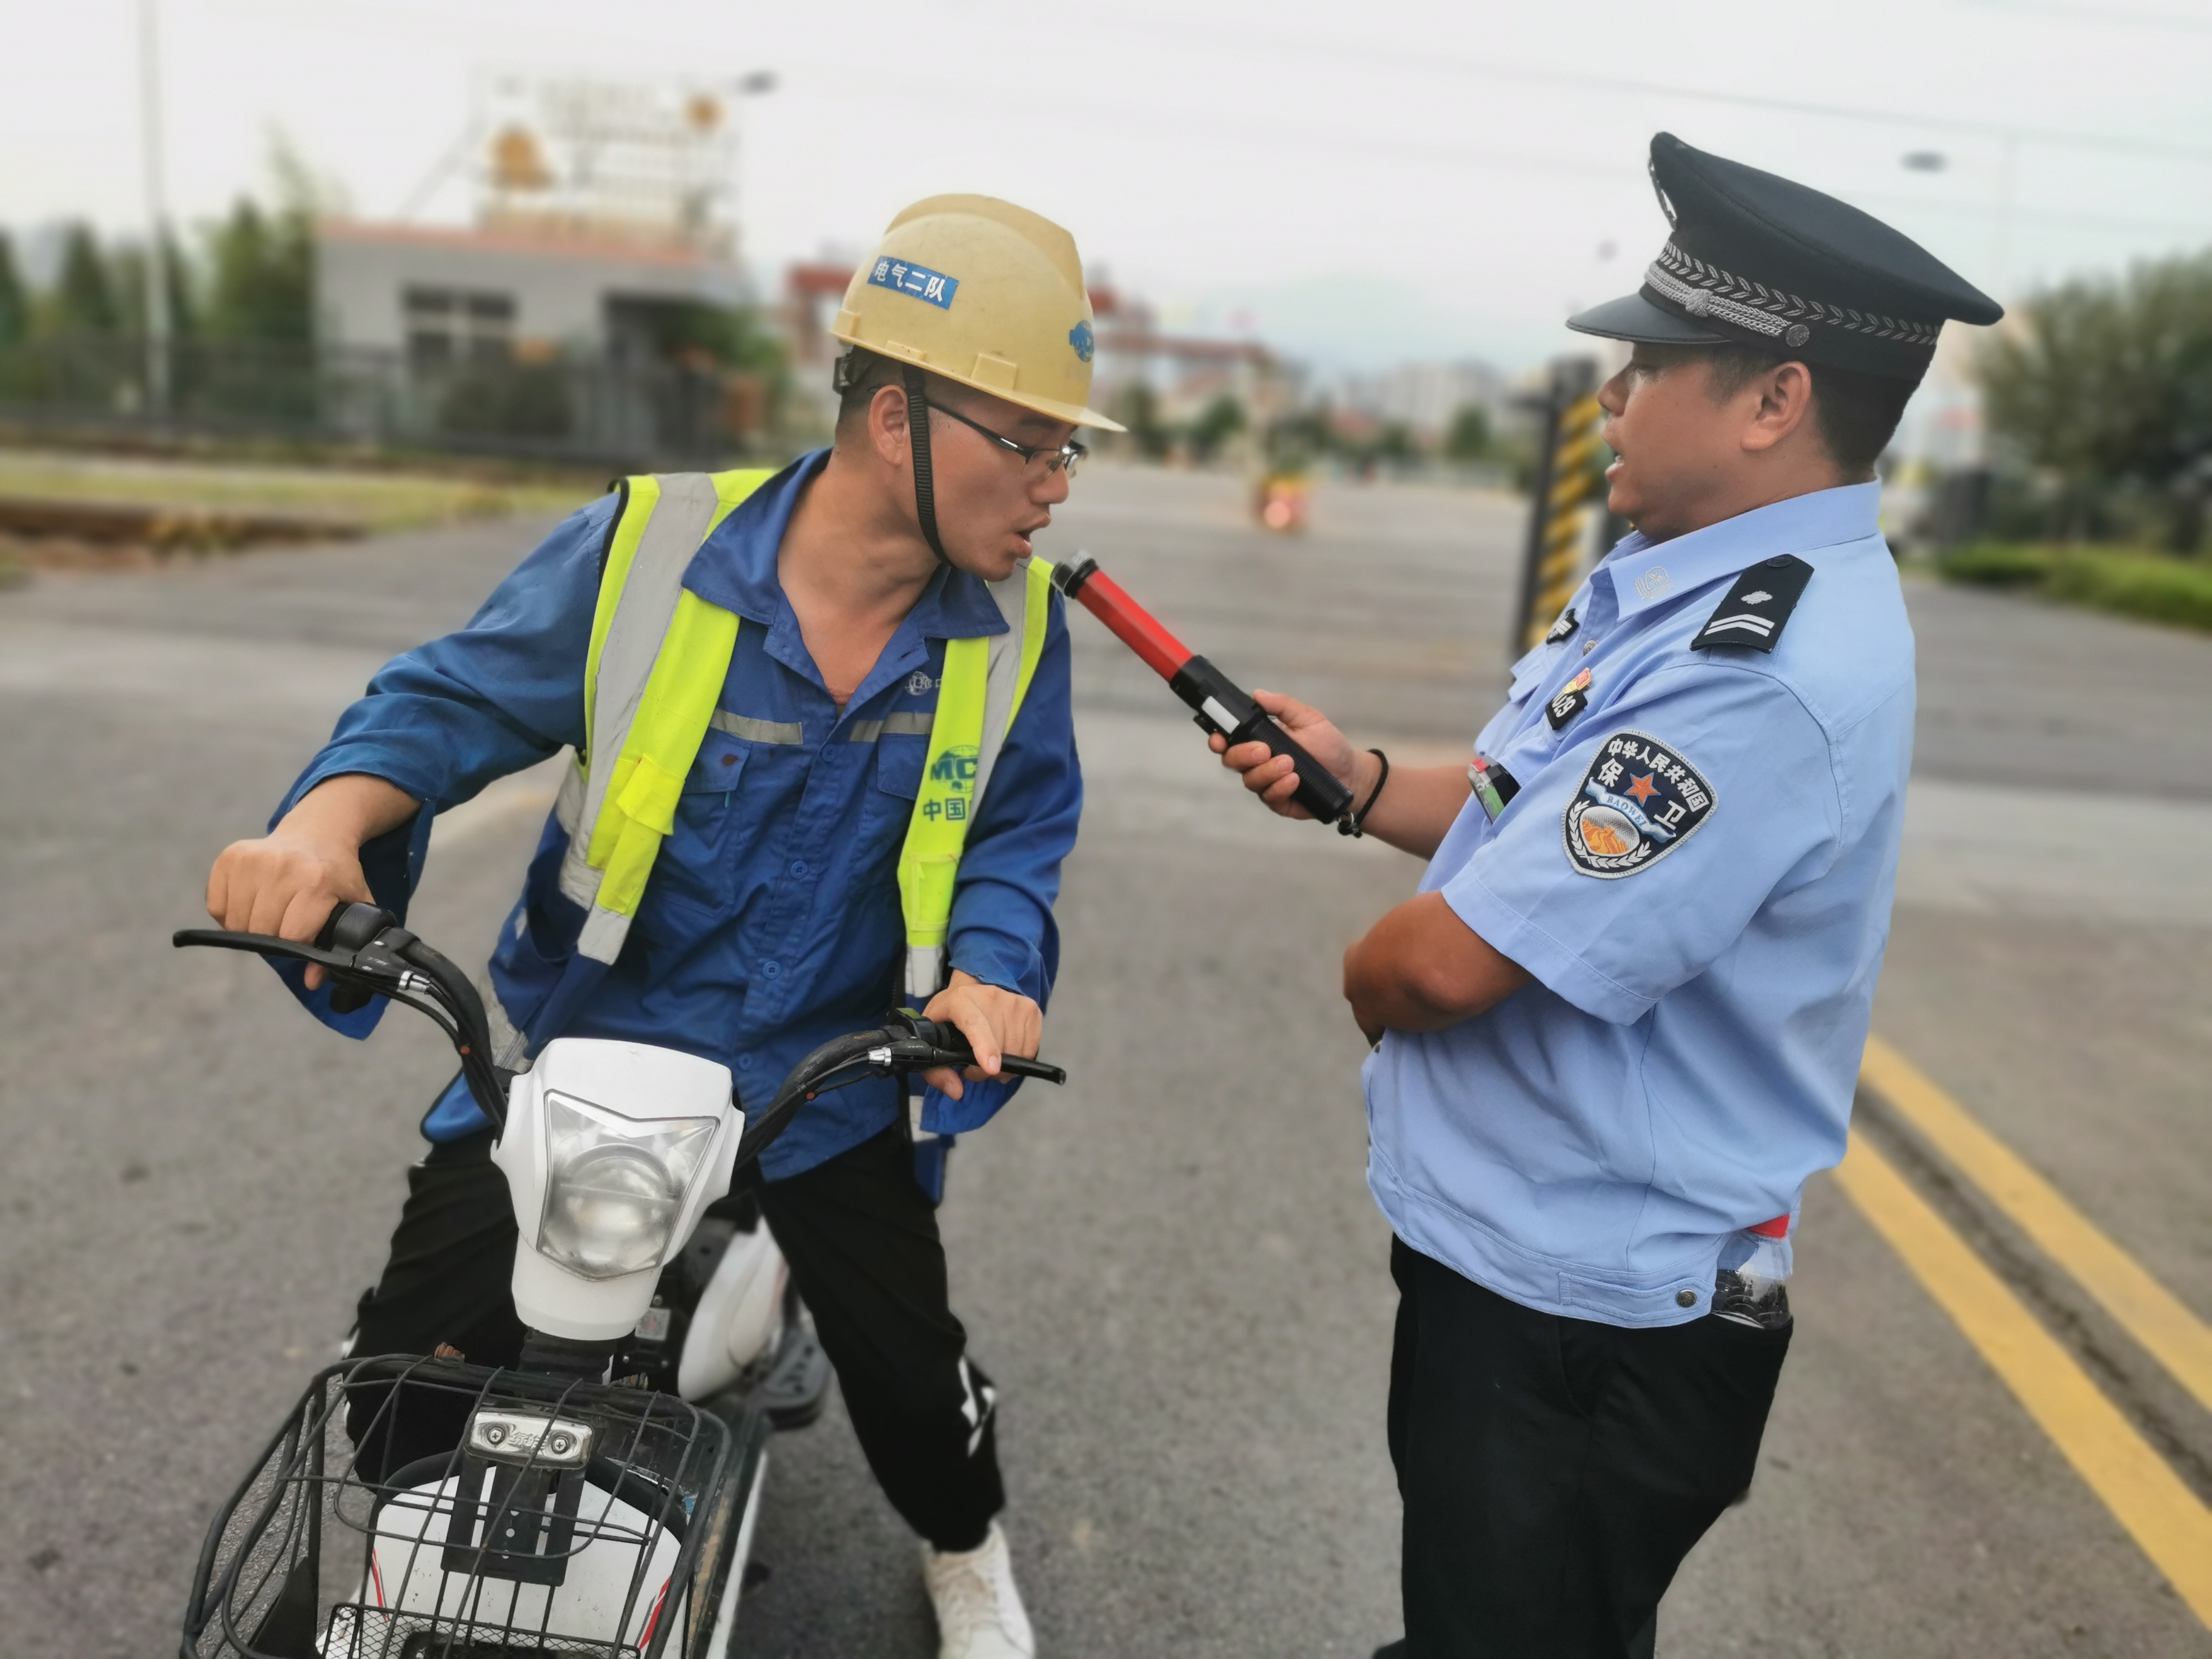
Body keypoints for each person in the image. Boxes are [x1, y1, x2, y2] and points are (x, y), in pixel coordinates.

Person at [203, 194, 1124, 1659]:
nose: (1058, 483)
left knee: (910, 1385)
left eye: (1066, 446)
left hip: (824, 1083)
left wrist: (997, 979)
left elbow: (1016, 830)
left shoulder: (1020, 634)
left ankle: (964, 1547)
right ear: (900, 423)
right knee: (389, 1404)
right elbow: (449, 702)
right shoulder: (646, 547)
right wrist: (321, 827)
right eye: (1032, 442)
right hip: (582, 1053)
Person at [1212, 133, 2001, 1657]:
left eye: (1651, 366)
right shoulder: (1688, 577)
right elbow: (1533, 797)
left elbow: (1442, 970)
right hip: (1526, 1263)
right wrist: (1361, 777)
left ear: (1777, 399)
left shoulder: (1763, 673)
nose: (1610, 398)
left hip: (1589, 1326)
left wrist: (1370, 982)